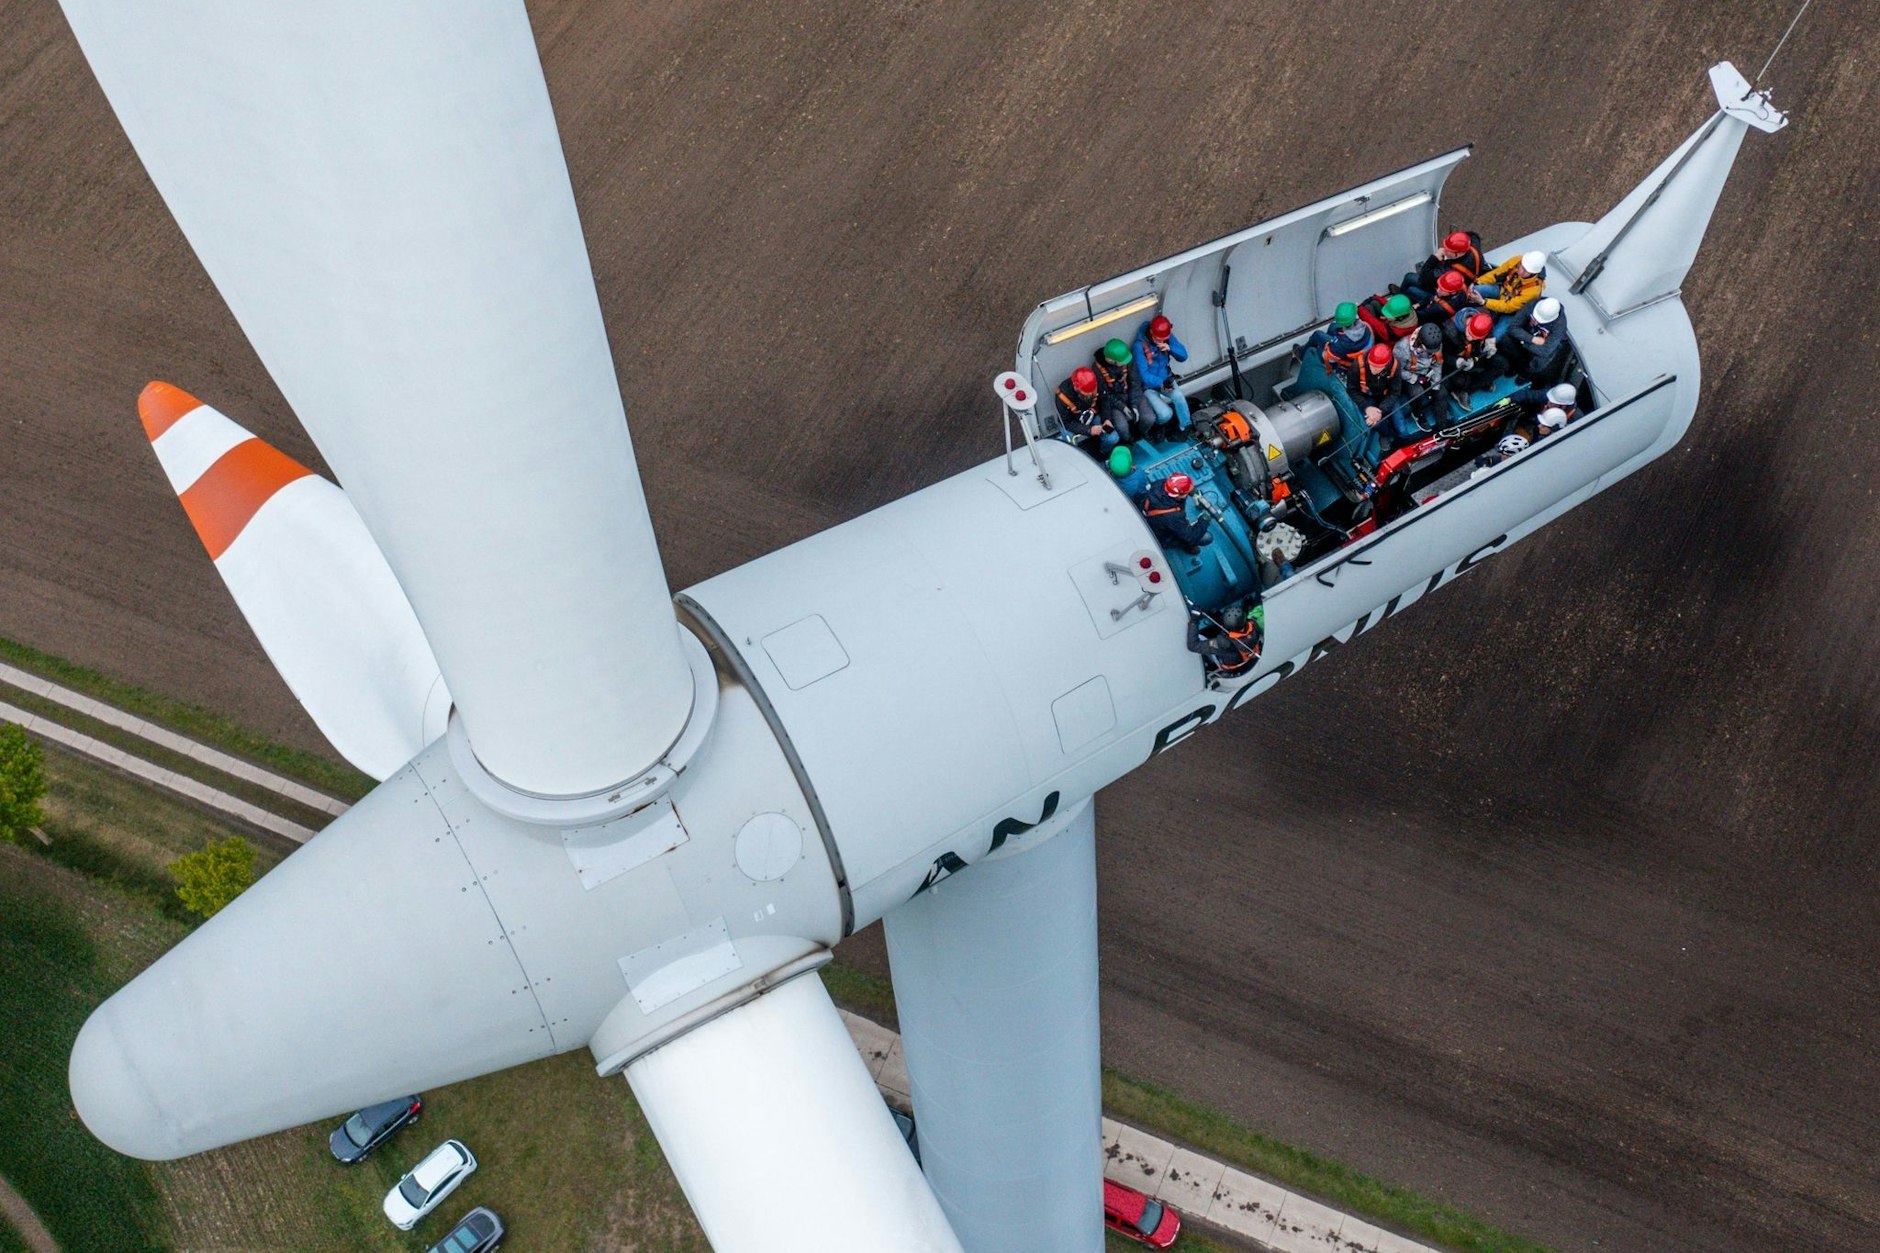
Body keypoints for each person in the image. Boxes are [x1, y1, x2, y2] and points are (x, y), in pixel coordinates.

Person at [1344, 341, 1416, 449]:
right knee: (1375, 423)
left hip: (1387, 396)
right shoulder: (1357, 366)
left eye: (1377, 367)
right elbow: (1352, 390)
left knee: (1402, 430)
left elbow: (1395, 392)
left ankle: (1404, 443)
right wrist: (1367, 407)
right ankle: (1385, 434)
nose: (1373, 370)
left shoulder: (1395, 366)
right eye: (1371, 365)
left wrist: (1380, 410)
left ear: (1386, 365)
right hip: (1368, 397)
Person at [1132, 315, 1191, 433]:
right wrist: (1161, 383)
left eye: (1163, 339)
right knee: (1165, 414)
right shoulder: (1139, 346)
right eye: (1158, 339)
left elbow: (1184, 356)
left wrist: (1170, 348)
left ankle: (1185, 427)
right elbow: (1143, 375)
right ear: (1151, 332)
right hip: (1149, 387)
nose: (1161, 342)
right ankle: (1158, 426)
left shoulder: (1167, 338)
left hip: (1166, 379)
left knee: (1179, 397)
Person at [1393, 322, 1449, 433]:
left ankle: (1443, 428)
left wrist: (1435, 384)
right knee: (1417, 393)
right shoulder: (1401, 348)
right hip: (1410, 376)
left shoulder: (1435, 344)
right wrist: (1415, 378)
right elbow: (1398, 371)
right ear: (1420, 342)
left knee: (1441, 392)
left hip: (1428, 372)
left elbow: (1438, 363)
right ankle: (1417, 414)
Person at [1402, 229, 1487, 299]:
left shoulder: (1448, 271)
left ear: (1456, 254)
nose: (1443, 249)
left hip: (1446, 293)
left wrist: (1434, 257)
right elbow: (1474, 235)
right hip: (1465, 283)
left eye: (1448, 250)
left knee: (1409, 278)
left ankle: (1401, 296)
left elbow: (1423, 278)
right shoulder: (1474, 246)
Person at [1498, 297, 1568, 382]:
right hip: (1529, 337)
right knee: (1506, 340)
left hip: (1539, 346)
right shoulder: (1532, 305)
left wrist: (1524, 343)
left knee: (1538, 362)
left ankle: (1524, 374)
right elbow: (1513, 327)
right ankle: (1514, 366)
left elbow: (1546, 351)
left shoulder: (1559, 326)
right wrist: (1531, 339)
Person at [1054, 365, 1118, 456]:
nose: (1090, 394)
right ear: (1076, 387)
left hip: (1092, 415)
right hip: (1072, 422)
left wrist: (1106, 418)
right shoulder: (1062, 396)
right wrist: (1088, 430)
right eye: (1087, 393)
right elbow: (1066, 422)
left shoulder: (1096, 382)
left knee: (1113, 438)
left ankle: (1103, 453)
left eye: (1092, 392)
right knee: (1071, 446)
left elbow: (1104, 401)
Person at [1141, 472, 1212, 554]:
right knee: (1206, 538)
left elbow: (1176, 492)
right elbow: (1191, 536)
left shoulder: (1160, 484)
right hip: (1160, 536)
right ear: (1178, 495)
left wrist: (1191, 491)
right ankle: (1185, 546)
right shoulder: (1173, 517)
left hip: (1148, 515)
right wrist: (1204, 521)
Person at [1476, 251, 1547, 330]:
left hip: (1512, 313)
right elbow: (1496, 274)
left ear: (1534, 273)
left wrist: (1484, 302)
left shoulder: (1533, 291)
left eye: (1525, 270)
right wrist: (1477, 282)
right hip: (1502, 292)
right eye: (1521, 265)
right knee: (1476, 289)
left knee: (1497, 333)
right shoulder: (1516, 261)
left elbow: (1508, 307)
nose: (1520, 270)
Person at [1187, 605, 1261, 678]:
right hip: (1250, 661)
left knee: (1201, 637)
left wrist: (1194, 621)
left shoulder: (1224, 643)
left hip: (1232, 669)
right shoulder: (1254, 625)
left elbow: (1193, 646)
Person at [1092, 338, 1145, 440]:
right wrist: (1122, 407)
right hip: (1114, 402)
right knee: (1122, 427)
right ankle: (1128, 440)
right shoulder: (1097, 370)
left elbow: (1135, 382)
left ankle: (1142, 435)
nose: (1124, 364)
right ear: (1111, 361)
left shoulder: (1125, 358)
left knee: (1148, 417)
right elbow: (1105, 395)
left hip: (1131, 394)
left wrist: (1134, 404)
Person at [1307, 301, 1373, 375]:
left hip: (1341, 354)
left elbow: (1330, 359)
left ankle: (1302, 354)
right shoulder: (1364, 328)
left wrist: (1325, 348)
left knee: (1317, 335)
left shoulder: (1340, 345)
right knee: (1332, 326)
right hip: (1354, 346)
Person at [1415, 268, 1482, 327]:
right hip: (1445, 307)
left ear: (1453, 292)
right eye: (1439, 287)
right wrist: (1419, 304)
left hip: (1434, 313)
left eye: (1442, 290)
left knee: (1412, 289)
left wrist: (1419, 305)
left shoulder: (1439, 307)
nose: (1438, 290)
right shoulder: (1461, 287)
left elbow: (1420, 314)